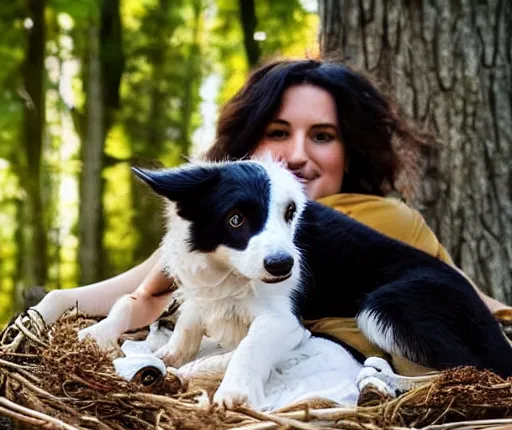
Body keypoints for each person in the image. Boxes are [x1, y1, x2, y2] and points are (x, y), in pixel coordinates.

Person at [34, 58, 511, 374]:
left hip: (354, 362)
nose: (297, 155)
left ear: (351, 150)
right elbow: (145, 289)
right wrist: (53, 306)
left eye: (322, 136)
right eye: (278, 132)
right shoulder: (223, 231)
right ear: (248, 145)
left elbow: (464, 298)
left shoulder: (389, 218)